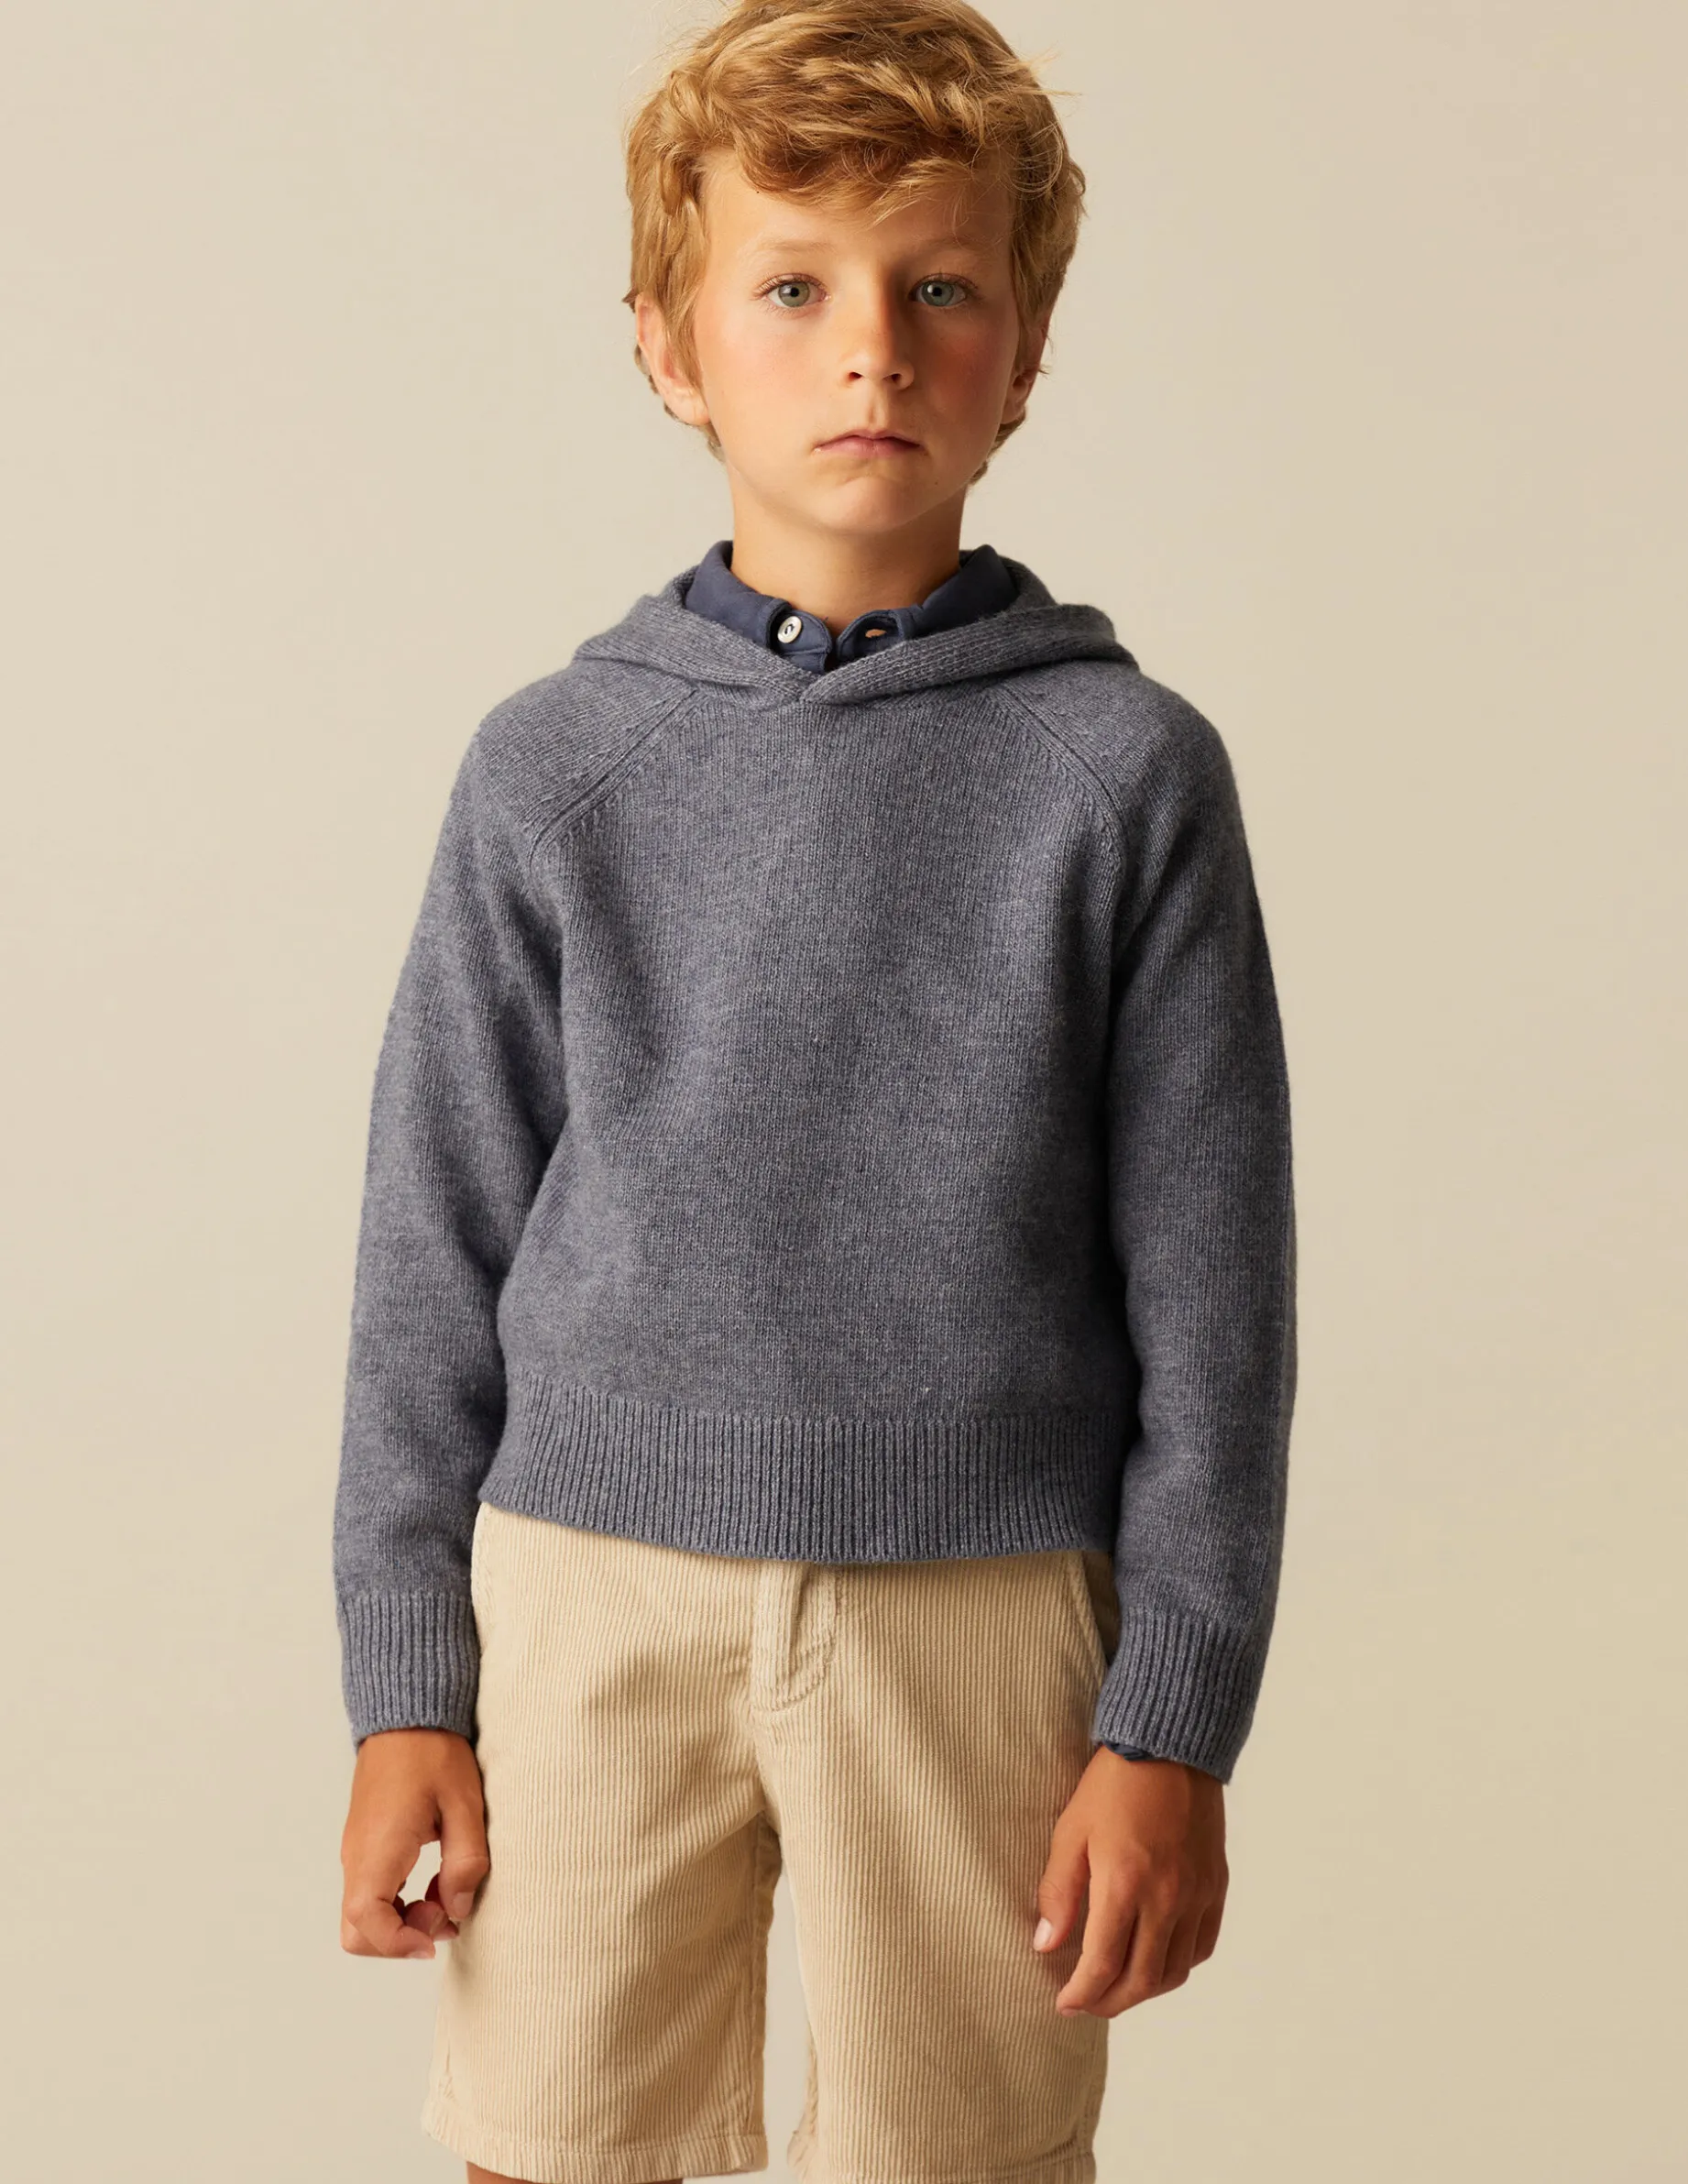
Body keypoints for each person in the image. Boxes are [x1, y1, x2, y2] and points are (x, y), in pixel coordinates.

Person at [333, 3, 1298, 2179]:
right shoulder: (553, 768)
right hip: (587, 1594)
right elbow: (430, 1250)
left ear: (1023, 353)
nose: (872, 350)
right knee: (547, 2150)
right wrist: (405, 1685)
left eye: (939, 288)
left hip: (980, 1608)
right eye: (793, 289)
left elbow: (1219, 1304)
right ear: (670, 348)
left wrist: (1175, 1720)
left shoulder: (1125, 775)